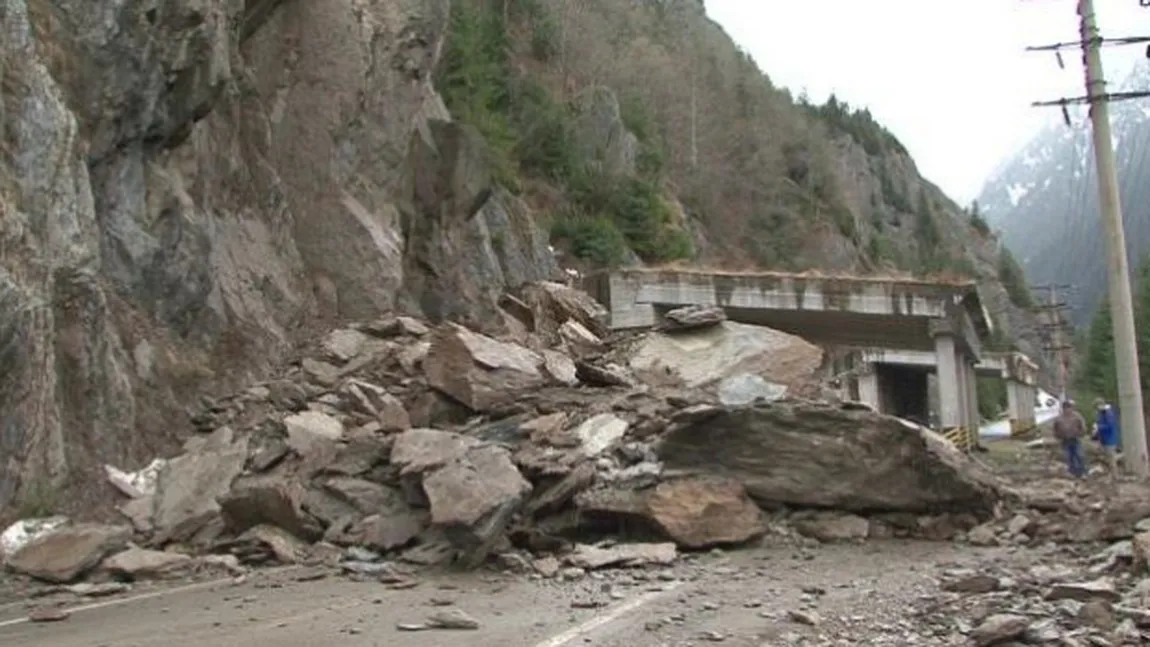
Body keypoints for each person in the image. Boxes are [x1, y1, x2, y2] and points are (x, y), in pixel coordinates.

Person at [1052, 399, 1088, 478]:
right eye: (1066, 408)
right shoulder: (1059, 418)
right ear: (1063, 408)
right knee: (1069, 456)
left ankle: (1082, 472)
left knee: (1079, 455)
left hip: (1075, 438)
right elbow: (1055, 428)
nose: (1068, 410)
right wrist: (1057, 436)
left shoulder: (1077, 416)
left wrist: (1082, 433)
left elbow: (1083, 426)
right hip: (1065, 440)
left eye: (1070, 407)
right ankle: (1073, 472)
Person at [1093, 397, 1120, 476]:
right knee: (1107, 458)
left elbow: (1110, 426)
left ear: (1100, 405)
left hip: (1110, 439)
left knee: (1111, 459)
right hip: (1104, 439)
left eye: (1096, 407)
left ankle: (1115, 476)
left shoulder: (1108, 413)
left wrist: (1098, 427)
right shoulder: (1102, 413)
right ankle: (1110, 474)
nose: (1096, 409)